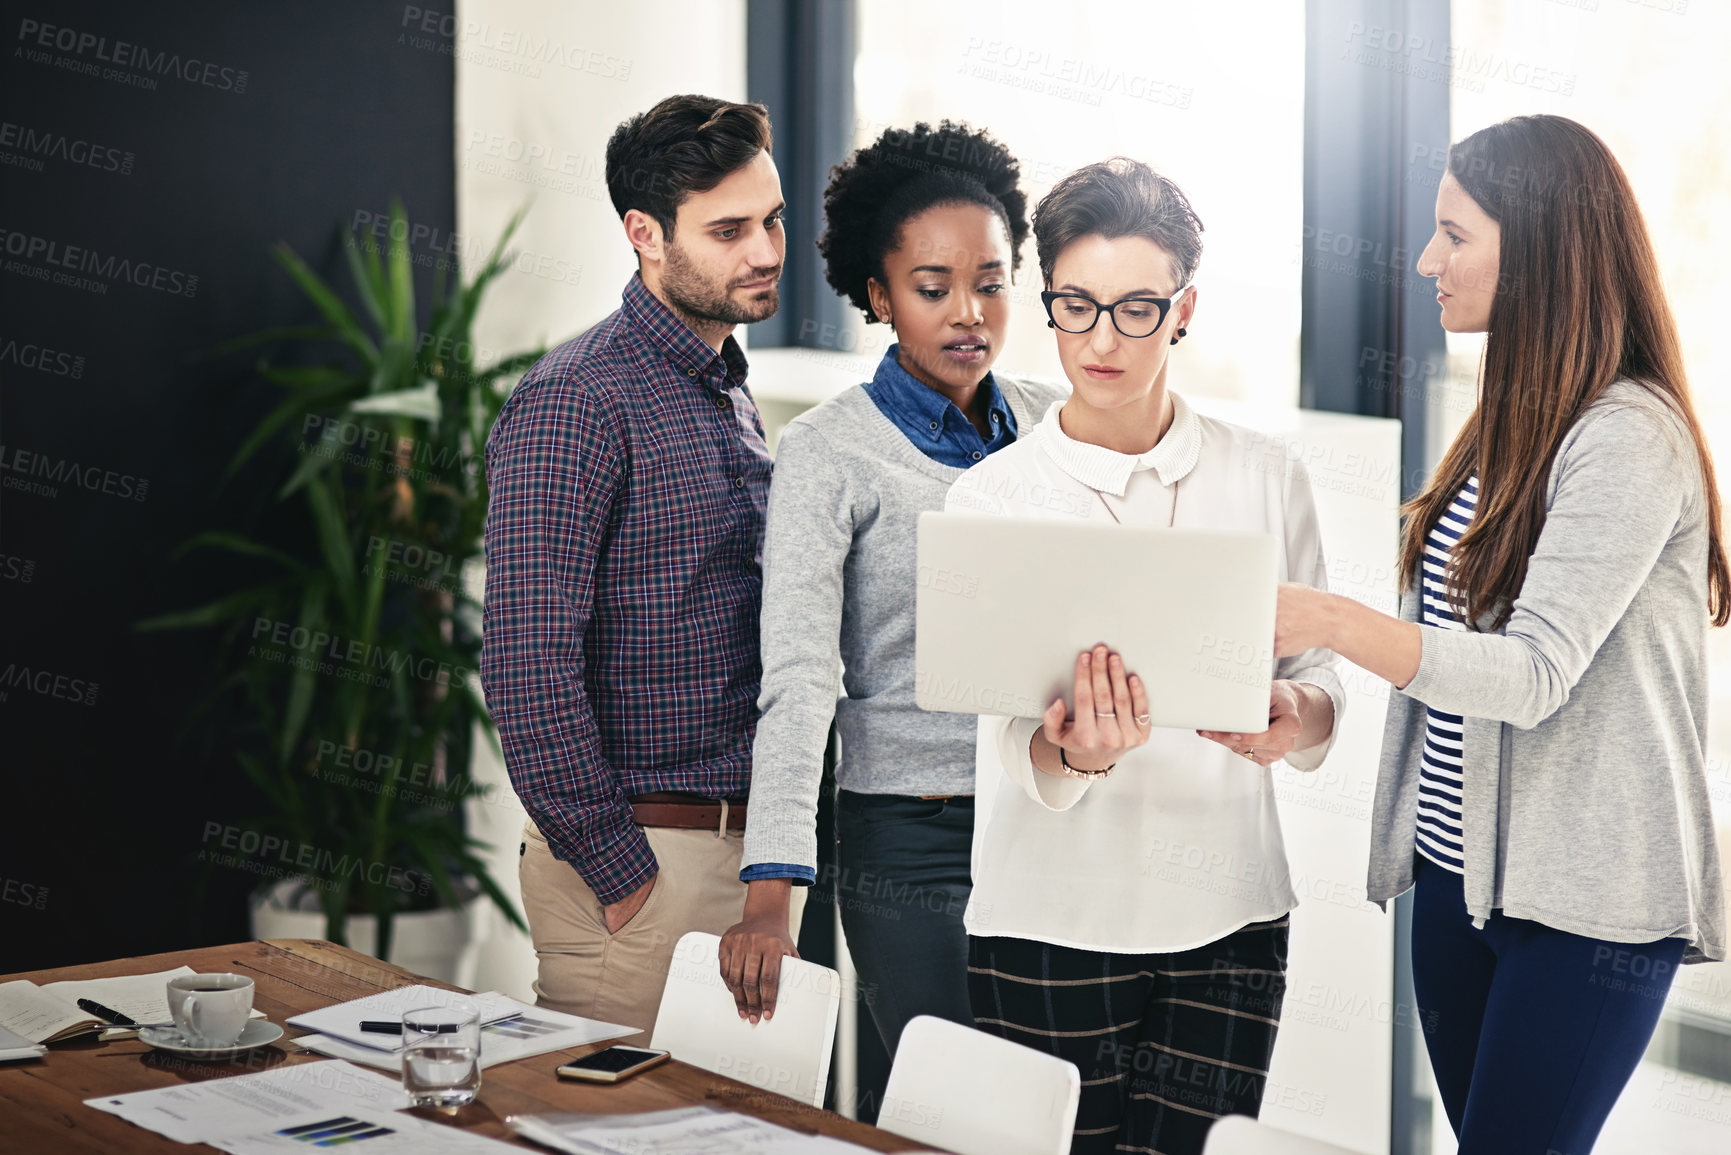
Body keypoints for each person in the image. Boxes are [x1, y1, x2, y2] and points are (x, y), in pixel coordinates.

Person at [1274, 114, 1728, 1153]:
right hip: (1457, 882)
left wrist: (1335, 621)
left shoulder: (1627, 437)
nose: (1428, 259)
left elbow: (1529, 676)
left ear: (1539, 249)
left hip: (1585, 913)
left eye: (1455, 234)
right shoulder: (1510, 417)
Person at [945, 158, 1343, 1155]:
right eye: (1076, 307)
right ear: (1048, 305)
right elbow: (1004, 740)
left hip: (1231, 919)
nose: (1102, 340)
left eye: (1135, 309)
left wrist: (1296, 722)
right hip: (1050, 919)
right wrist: (1075, 756)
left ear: (1184, 310)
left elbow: (1323, 682)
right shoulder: (990, 501)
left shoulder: (1264, 477)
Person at [720, 122, 1067, 1064]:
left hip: (1054, 813)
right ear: (879, 295)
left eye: (990, 284)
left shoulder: (1054, 424)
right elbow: (796, 674)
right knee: (940, 1097)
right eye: (931, 288)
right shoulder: (828, 452)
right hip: (908, 830)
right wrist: (769, 894)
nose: (968, 313)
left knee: (1044, 1105)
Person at [480, 93, 803, 1043]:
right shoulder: (574, 400)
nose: (766, 250)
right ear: (644, 234)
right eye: (730, 229)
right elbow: (526, 670)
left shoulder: (721, 388)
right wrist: (623, 878)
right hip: (645, 864)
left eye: (772, 218)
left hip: (742, 863)